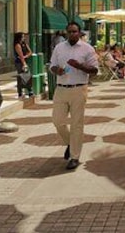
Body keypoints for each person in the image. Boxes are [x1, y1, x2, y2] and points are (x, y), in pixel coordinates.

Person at [50, 21, 99, 170]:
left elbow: (95, 70)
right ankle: (70, 143)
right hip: (61, 88)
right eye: (69, 31)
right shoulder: (59, 48)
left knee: (77, 124)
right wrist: (56, 70)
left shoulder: (87, 49)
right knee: (57, 120)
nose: (72, 34)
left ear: (79, 33)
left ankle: (74, 157)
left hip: (79, 89)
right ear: (66, 33)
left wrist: (80, 66)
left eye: (74, 31)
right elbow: (52, 65)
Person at [13, 32, 33, 99]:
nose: (23, 38)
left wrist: (26, 56)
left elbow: (30, 52)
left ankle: (29, 91)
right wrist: (24, 63)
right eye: (22, 36)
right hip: (19, 63)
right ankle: (20, 93)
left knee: (28, 76)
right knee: (21, 77)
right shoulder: (17, 45)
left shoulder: (24, 44)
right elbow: (20, 55)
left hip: (24, 61)